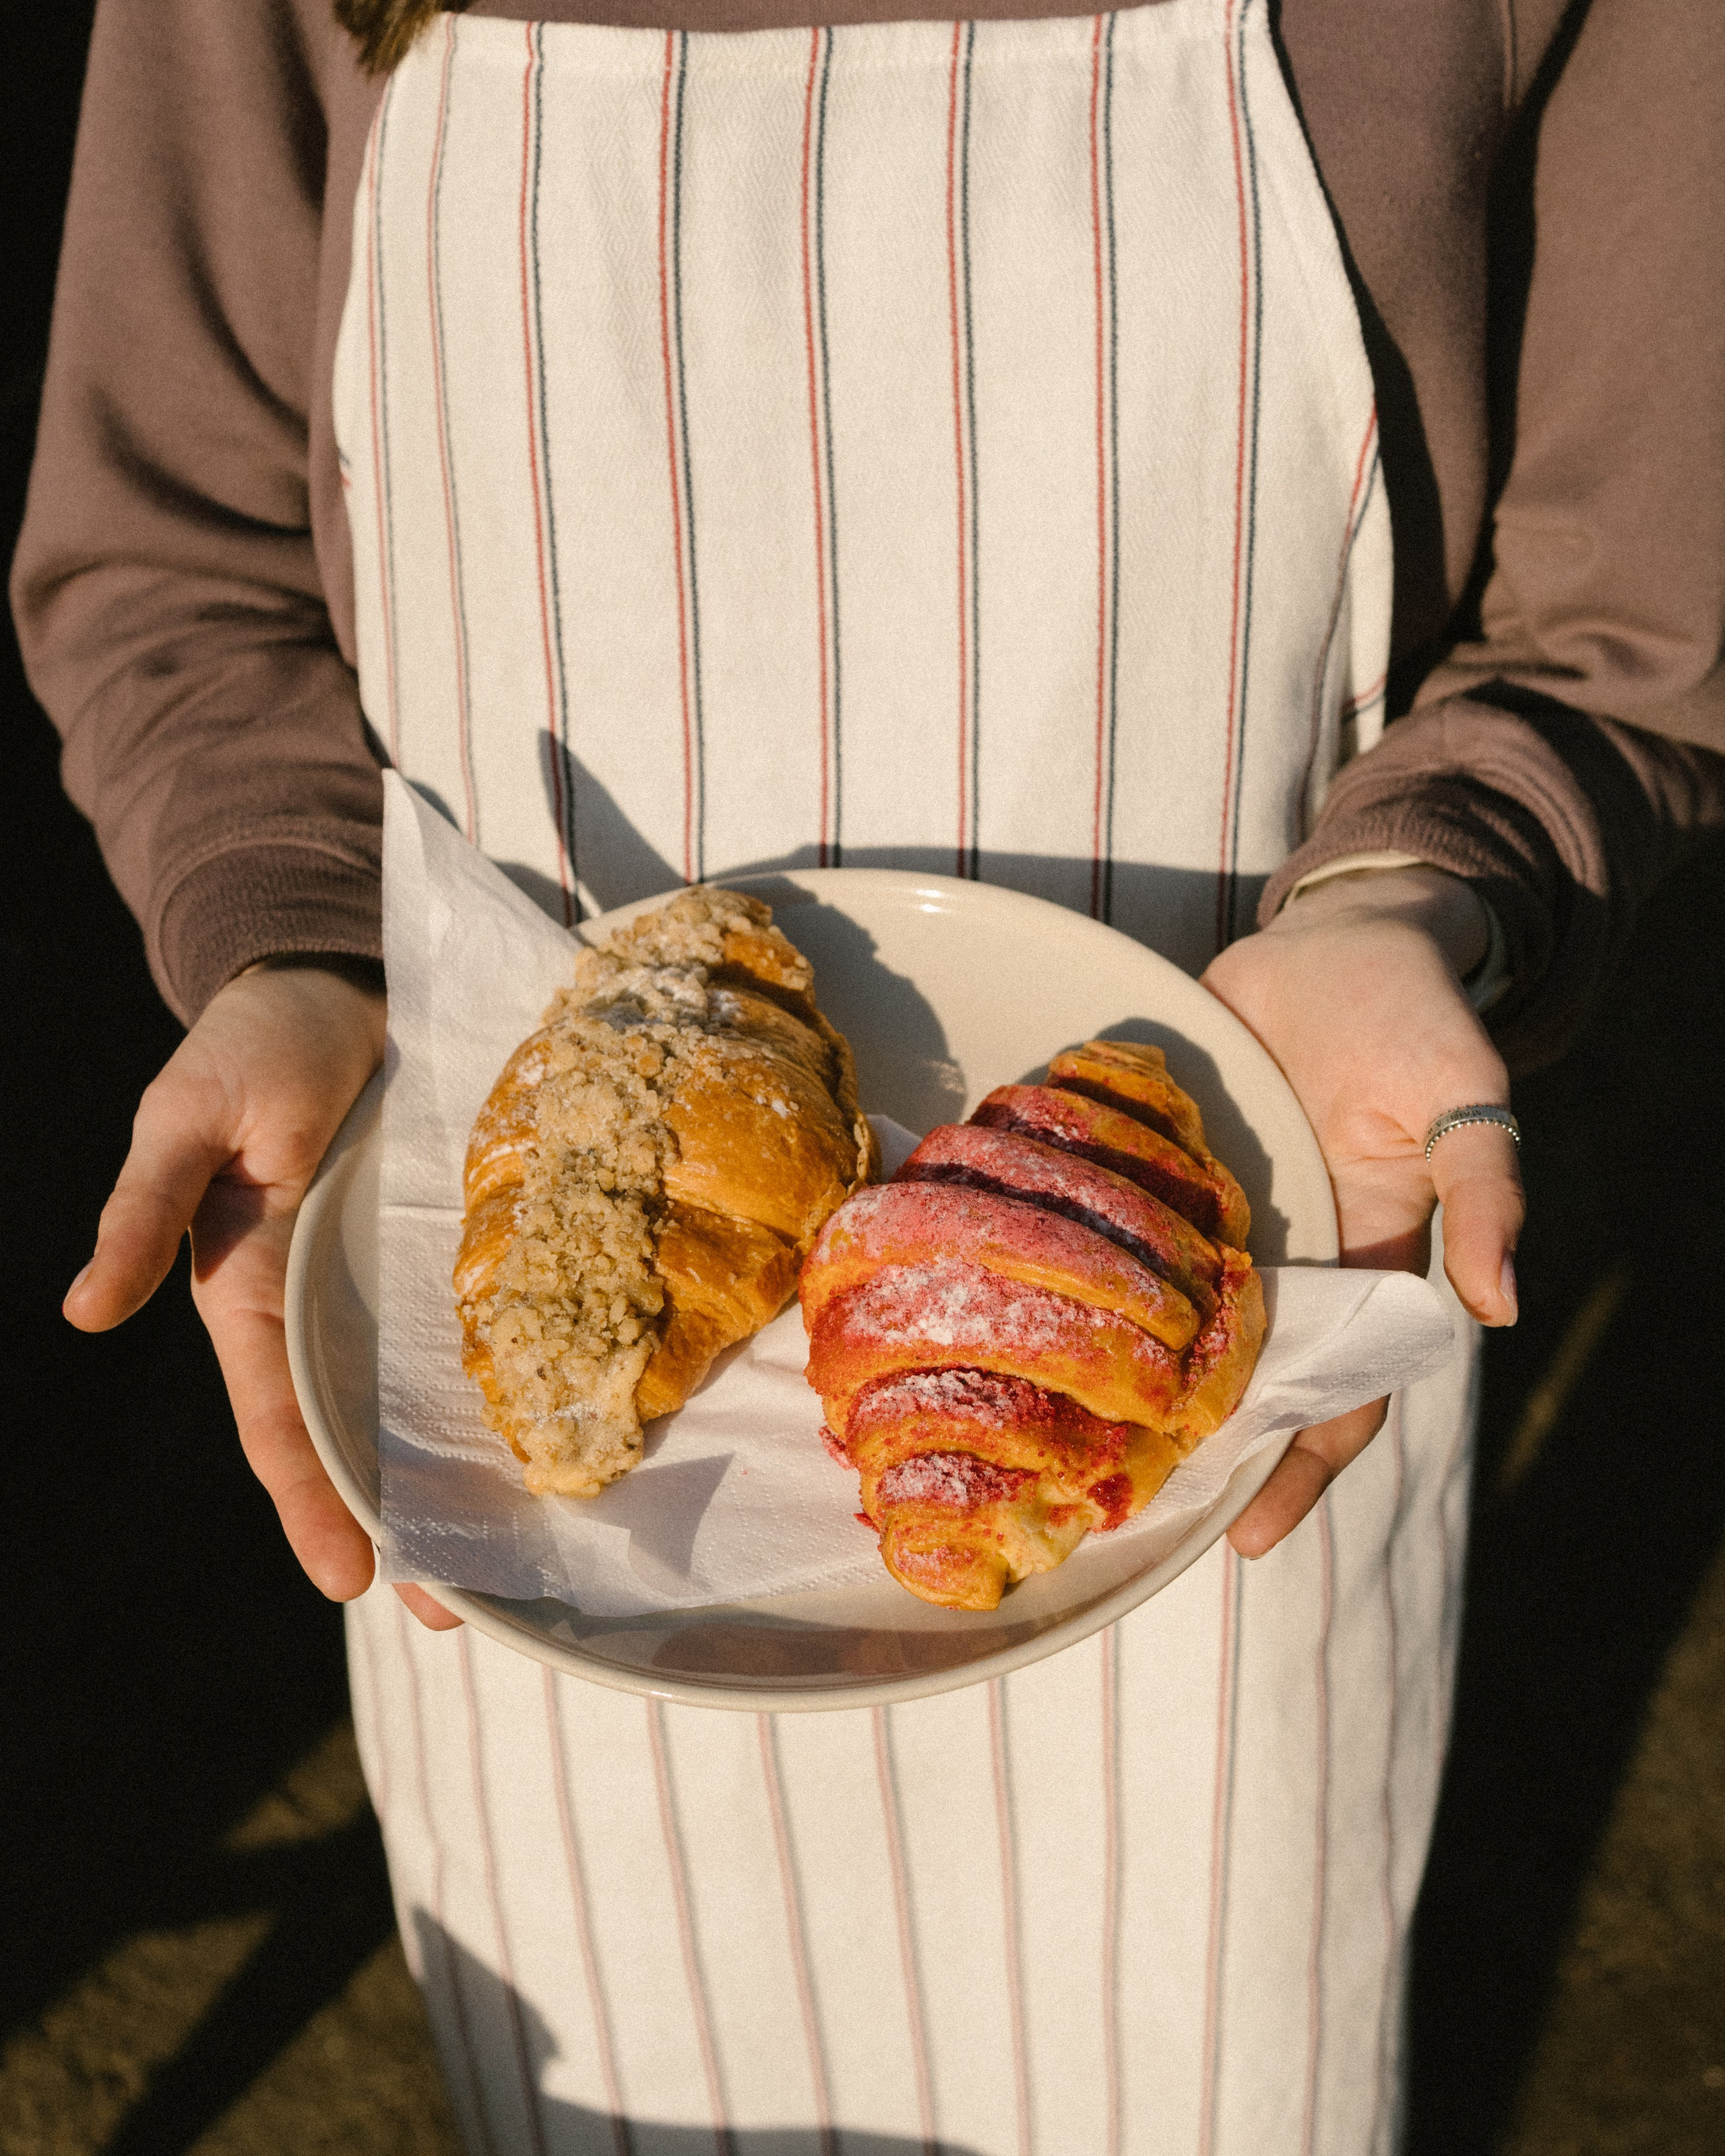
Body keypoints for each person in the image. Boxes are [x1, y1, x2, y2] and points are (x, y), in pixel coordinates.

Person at [15, 0, 1722, 2148]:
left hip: (1230, 1347)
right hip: (551, 1488)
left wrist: (1428, 881)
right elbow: (169, 557)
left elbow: (1637, 594)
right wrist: (299, 937)